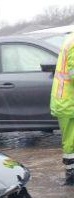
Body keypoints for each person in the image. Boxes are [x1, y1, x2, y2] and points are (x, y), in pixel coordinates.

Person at [51, 32, 74, 186]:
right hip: (67, 101)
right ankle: (71, 175)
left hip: (65, 100)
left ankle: (71, 173)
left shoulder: (69, 38)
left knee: (70, 140)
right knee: (70, 141)